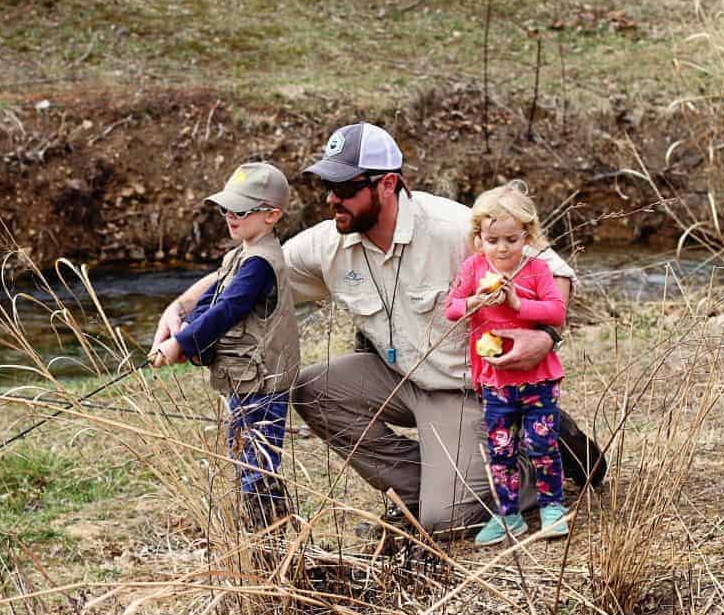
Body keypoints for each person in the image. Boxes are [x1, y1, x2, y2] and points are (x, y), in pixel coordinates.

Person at [154, 123, 597, 534]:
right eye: (327, 186)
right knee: (310, 389)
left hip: (466, 389)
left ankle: (535, 459)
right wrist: (181, 307)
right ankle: (438, 483)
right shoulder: (327, 242)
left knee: (447, 520)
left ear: (386, 184)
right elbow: (254, 269)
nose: (331, 199)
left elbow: (553, 269)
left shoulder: (452, 226)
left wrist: (544, 338)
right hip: (397, 378)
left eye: (345, 188)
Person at [152, 162, 300, 528]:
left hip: (263, 384)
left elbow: (228, 308)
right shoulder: (240, 255)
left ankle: (266, 541)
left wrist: (180, 345)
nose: (231, 217)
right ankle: (274, 534)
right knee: (246, 457)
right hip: (243, 380)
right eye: (226, 209)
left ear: (271, 216)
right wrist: (185, 331)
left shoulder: (260, 263)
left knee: (256, 465)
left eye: (242, 210)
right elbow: (212, 299)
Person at [445, 183, 570, 545]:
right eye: (493, 239)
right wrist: (475, 302)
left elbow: (557, 313)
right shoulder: (473, 269)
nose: (502, 248)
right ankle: (507, 514)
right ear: (479, 238)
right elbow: (451, 309)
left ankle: (552, 508)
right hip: (496, 380)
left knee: (541, 442)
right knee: (502, 449)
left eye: (512, 240)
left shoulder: (536, 270)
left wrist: (517, 304)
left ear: (527, 236)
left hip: (538, 378)